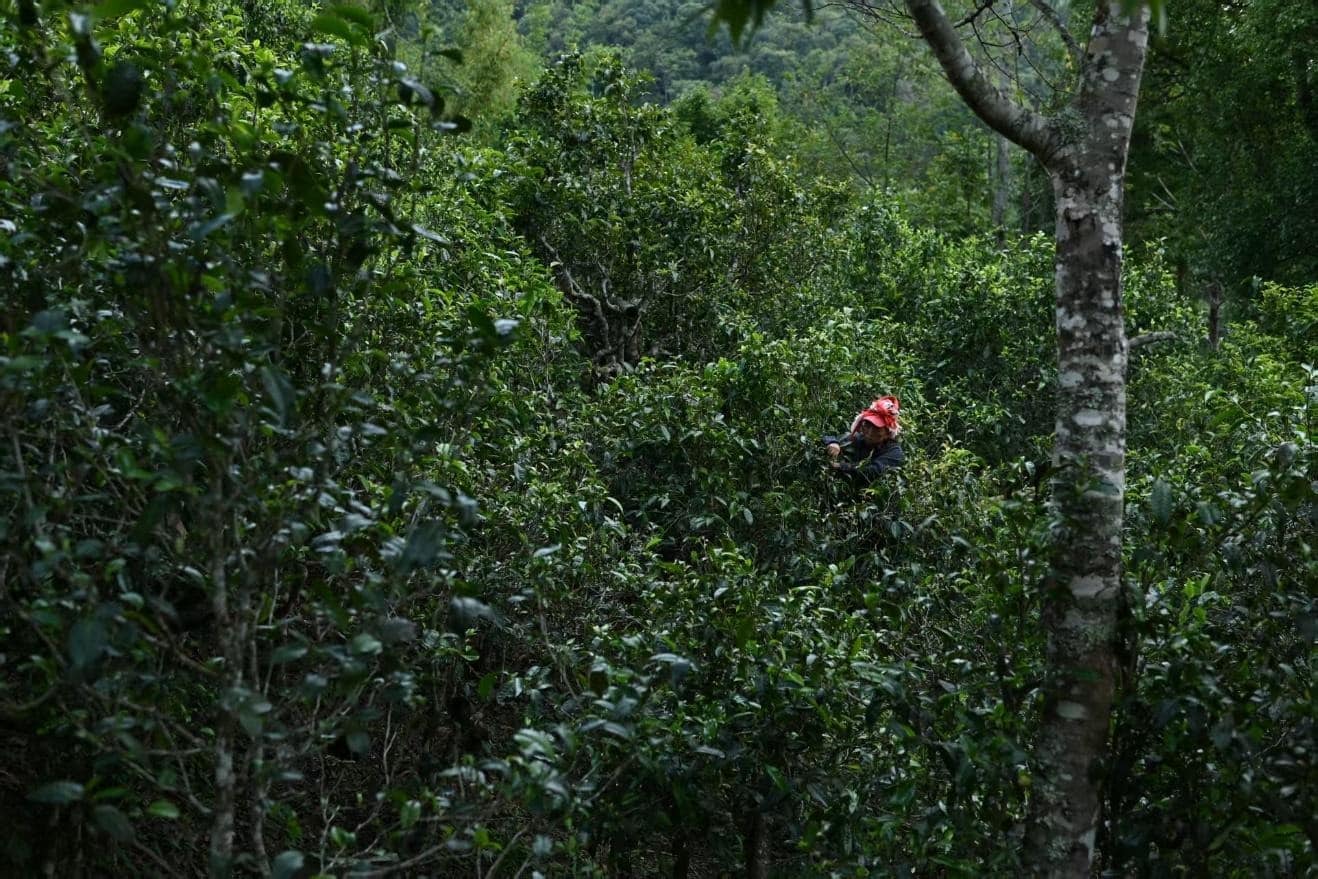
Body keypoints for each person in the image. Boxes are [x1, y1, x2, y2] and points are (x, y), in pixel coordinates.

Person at [823, 395, 904, 485]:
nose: (869, 432)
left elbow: (873, 472)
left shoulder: (894, 451)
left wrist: (841, 466)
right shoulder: (857, 438)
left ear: (888, 433)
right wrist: (833, 443)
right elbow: (827, 437)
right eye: (868, 425)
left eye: (877, 428)